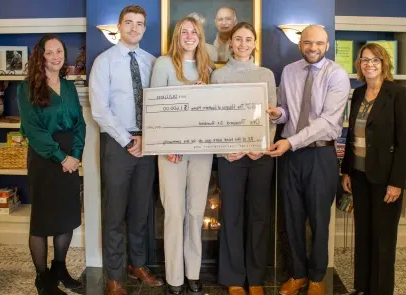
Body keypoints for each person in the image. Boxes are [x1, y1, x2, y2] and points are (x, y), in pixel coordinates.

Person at [265, 25, 350, 295]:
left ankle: (316, 277)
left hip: (320, 154)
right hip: (290, 156)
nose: (312, 48)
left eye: (318, 44)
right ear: (300, 44)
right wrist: (276, 114)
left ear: (327, 46)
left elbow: (327, 122)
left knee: (318, 219)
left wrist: (291, 141)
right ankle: (298, 274)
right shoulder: (289, 71)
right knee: (292, 218)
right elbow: (288, 111)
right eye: (307, 43)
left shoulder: (336, 74)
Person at [89, 5, 164, 295]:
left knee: (141, 210)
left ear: (145, 28)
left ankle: (138, 265)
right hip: (118, 145)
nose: (134, 28)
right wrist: (128, 140)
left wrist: (148, 137)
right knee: (115, 212)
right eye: (129, 22)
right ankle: (115, 275)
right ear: (120, 26)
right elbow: (99, 109)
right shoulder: (104, 62)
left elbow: (160, 103)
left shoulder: (152, 62)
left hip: (148, 144)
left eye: (140, 23)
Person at [341, 43, 406, 295]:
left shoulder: (398, 94)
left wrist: (397, 182)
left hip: (386, 179)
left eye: (375, 60)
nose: (369, 64)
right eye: (364, 60)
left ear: (384, 63)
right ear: (359, 64)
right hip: (359, 175)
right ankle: (362, 288)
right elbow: (351, 135)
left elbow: (405, 141)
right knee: (363, 234)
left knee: (383, 239)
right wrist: (346, 170)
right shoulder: (359, 93)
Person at [150, 16, 215, 295]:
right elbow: (155, 108)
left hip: (201, 152)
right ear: (177, 36)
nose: (189, 36)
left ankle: (193, 274)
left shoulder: (207, 68)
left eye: (194, 32)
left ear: (200, 37)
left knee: (195, 212)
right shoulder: (163, 64)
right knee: (174, 213)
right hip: (171, 153)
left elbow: (212, 111)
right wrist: (167, 146)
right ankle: (175, 278)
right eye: (184, 32)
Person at [210, 22, 276, 295]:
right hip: (231, 157)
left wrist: (262, 145)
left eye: (248, 39)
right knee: (232, 215)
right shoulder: (219, 76)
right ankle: (234, 277)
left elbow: (271, 116)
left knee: (259, 216)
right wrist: (225, 150)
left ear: (254, 42)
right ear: (230, 42)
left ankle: (256, 278)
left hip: (260, 156)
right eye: (238, 39)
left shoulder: (266, 74)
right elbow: (214, 118)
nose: (243, 43)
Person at [17, 34, 85, 295]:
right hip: (45, 159)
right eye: (50, 52)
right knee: (43, 221)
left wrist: (75, 155)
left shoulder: (68, 87)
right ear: (41, 56)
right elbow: (33, 131)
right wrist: (62, 158)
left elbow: (79, 123)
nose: (56, 56)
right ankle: (42, 278)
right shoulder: (28, 88)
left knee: (66, 218)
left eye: (60, 51)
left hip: (71, 156)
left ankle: (60, 269)